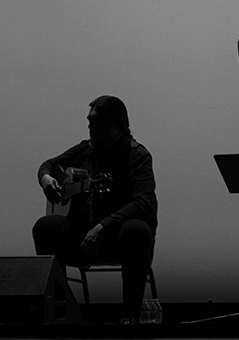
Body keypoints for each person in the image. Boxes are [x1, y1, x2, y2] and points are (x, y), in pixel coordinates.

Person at [32, 95, 157, 325]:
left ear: (116, 126)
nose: (89, 126)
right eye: (89, 121)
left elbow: (143, 202)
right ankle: (60, 311)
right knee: (45, 226)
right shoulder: (86, 149)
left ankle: (129, 316)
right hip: (83, 237)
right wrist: (46, 178)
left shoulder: (138, 156)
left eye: (95, 122)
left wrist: (103, 226)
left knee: (136, 230)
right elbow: (48, 164)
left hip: (119, 241)